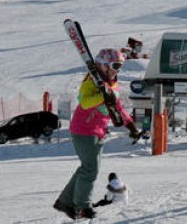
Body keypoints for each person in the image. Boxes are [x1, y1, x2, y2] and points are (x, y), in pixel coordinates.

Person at [53, 48, 141, 221]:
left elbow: (118, 107)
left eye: (119, 66)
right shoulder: (92, 81)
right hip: (84, 130)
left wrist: (130, 124)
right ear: (105, 64)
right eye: (115, 65)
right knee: (90, 170)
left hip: (97, 131)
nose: (118, 69)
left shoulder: (111, 82)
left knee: (87, 168)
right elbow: (84, 102)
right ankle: (81, 207)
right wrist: (102, 97)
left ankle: (65, 202)